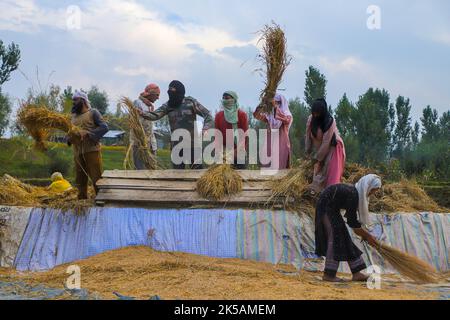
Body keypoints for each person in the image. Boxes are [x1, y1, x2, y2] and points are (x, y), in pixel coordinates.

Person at [315, 174, 382, 282]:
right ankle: (329, 274)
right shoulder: (354, 194)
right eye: (373, 190)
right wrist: (368, 236)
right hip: (325, 208)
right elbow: (352, 223)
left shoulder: (354, 192)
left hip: (332, 210)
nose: (372, 194)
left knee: (344, 237)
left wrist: (366, 235)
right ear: (368, 187)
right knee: (335, 237)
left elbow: (353, 223)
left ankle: (356, 273)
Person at [139, 80, 214, 169]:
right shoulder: (168, 105)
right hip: (176, 146)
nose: (170, 92)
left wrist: (205, 128)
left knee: (197, 173)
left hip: (192, 146)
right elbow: (155, 115)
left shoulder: (190, 102)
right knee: (177, 175)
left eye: (173, 89)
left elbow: (208, 115)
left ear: (180, 91)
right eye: (169, 90)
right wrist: (142, 113)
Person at [68, 90, 109, 199]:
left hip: (92, 150)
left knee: (96, 176)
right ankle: (82, 200)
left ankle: (101, 198)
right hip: (77, 152)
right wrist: (69, 137)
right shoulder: (73, 117)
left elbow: (104, 127)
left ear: (83, 101)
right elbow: (69, 132)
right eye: (73, 100)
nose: (74, 102)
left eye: (75, 100)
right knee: (80, 178)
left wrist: (88, 133)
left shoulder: (93, 112)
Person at [305, 98, 345, 194]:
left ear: (322, 112)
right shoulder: (311, 119)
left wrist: (318, 159)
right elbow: (308, 135)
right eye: (314, 113)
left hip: (333, 148)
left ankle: (330, 197)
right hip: (321, 149)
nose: (315, 115)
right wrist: (307, 151)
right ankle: (317, 194)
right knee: (317, 171)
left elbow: (326, 142)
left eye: (317, 113)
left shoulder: (330, 121)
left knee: (329, 172)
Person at [253, 93, 293, 169]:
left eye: (276, 103)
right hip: (269, 146)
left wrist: (275, 107)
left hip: (281, 146)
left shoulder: (287, 115)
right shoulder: (270, 118)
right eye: (273, 104)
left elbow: (286, 120)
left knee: (281, 170)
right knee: (268, 170)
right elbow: (257, 115)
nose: (274, 106)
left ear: (281, 103)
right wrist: (261, 105)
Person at [214, 91, 249, 169]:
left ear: (234, 100)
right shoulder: (219, 116)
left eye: (227, 98)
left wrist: (236, 151)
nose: (225, 100)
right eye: (223, 98)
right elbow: (217, 135)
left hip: (239, 151)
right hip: (224, 153)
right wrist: (219, 151)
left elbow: (245, 135)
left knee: (240, 176)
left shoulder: (241, 115)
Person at [130, 83, 160, 169]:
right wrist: (142, 138)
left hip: (150, 142)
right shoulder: (137, 103)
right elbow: (134, 123)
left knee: (152, 168)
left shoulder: (149, 106)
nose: (158, 98)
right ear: (151, 94)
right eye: (157, 95)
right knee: (140, 169)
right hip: (140, 143)